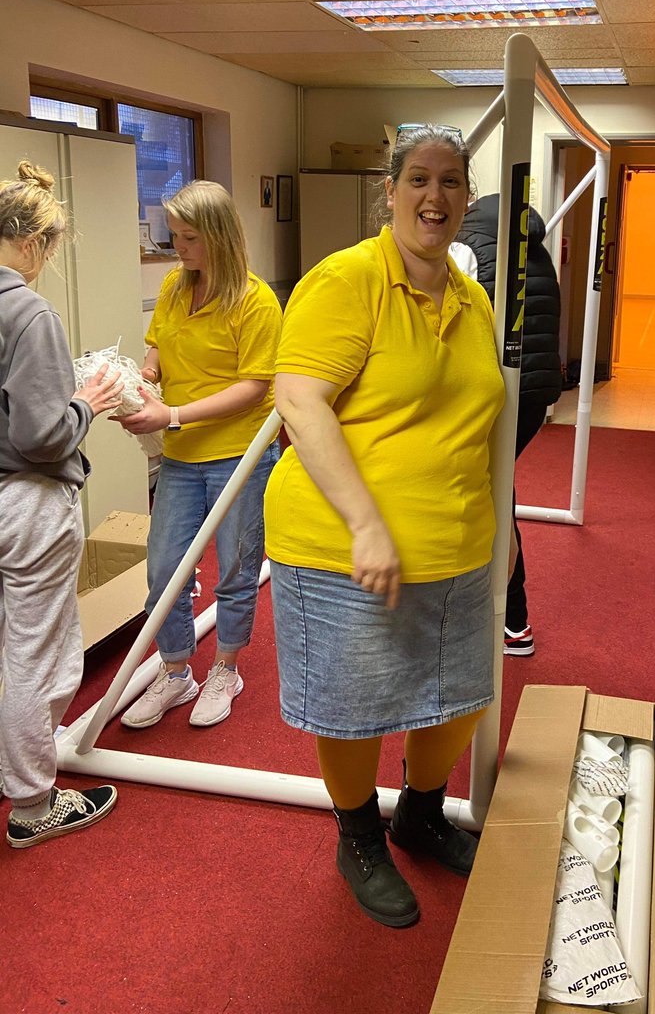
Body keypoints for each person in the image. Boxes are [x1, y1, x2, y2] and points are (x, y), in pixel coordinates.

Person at [265, 125, 507, 929]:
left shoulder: (471, 297)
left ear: (467, 199)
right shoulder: (348, 280)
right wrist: (367, 524)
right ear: (392, 193)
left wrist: (501, 537)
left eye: (450, 182)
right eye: (417, 181)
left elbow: (477, 424)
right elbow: (299, 401)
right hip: (343, 545)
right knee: (354, 704)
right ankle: (360, 835)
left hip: (457, 543)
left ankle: (422, 813)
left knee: (458, 696)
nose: (434, 197)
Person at [117, 180, 282, 730]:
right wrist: (142, 377)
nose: (178, 247)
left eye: (189, 237)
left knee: (235, 568)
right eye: (173, 236)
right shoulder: (173, 285)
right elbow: (159, 343)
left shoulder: (257, 301)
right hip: (183, 455)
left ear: (219, 237)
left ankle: (226, 669)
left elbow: (256, 386)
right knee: (165, 566)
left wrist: (173, 415)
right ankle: (175, 671)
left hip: (241, 453)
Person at [0, 159, 123, 848]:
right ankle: (33, 805)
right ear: (37, 243)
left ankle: (8, 769)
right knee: (36, 655)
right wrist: (86, 403)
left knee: (3, 647)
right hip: (25, 501)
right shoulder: (27, 310)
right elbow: (42, 436)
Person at [450, 193, 562, 658]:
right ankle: (510, 618)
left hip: (496, 390)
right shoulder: (533, 245)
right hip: (535, 391)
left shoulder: (467, 247)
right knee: (499, 494)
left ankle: (508, 618)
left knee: (490, 501)